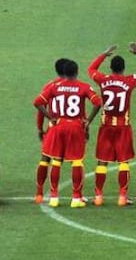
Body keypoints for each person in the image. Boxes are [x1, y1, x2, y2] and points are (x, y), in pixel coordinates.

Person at [87, 43, 136, 206]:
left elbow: (91, 70)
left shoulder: (103, 80)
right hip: (123, 127)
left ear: (110, 68)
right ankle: (123, 196)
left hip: (106, 126)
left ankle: (98, 196)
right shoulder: (129, 80)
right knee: (124, 161)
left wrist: (103, 54)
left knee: (102, 161)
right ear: (124, 69)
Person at [33, 59, 102, 208]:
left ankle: (51, 196)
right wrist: (88, 122)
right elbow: (97, 102)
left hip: (56, 127)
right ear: (76, 71)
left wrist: (46, 121)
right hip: (76, 127)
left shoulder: (52, 86)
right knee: (76, 161)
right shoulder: (83, 86)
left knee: (53, 160)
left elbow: (38, 102)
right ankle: (76, 198)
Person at [33, 58, 71, 204]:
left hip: (52, 127)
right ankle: (73, 195)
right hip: (70, 127)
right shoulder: (74, 85)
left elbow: (40, 107)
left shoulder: (50, 86)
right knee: (68, 160)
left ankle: (39, 193)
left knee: (45, 158)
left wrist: (39, 128)